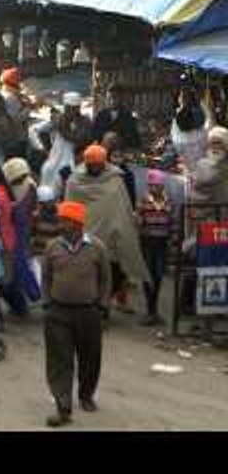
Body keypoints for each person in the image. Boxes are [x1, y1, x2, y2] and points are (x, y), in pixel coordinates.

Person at [41, 200, 112, 428]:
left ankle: (86, 395)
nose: (60, 224)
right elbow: (46, 277)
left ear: (77, 223)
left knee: (90, 358)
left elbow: (106, 278)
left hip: (88, 312)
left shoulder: (97, 247)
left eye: (65, 220)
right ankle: (63, 406)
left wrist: (102, 306)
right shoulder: (52, 247)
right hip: (58, 312)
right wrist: (47, 302)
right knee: (59, 360)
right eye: (61, 220)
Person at [65, 144, 151, 316]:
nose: (96, 168)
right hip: (86, 238)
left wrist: (127, 225)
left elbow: (123, 207)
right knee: (87, 273)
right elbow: (70, 209)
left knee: (113, 273)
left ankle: (103, 305)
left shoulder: (115, 179)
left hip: (111, 238)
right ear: (87, 164)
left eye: (99, 164)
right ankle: (89, 306)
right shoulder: (75, 181)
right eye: (92, 165)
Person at [0, 164, 24, 321]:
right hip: (8, 238)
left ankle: (0, 315)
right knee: (4, 278)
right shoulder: (4, 191)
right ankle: (16, 308)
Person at [3, 157, 41, 307]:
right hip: (15, 228)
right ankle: (26, 295)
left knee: (20, 262)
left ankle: (34, 294)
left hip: (22, 228)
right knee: (16, 264)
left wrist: (11, 208)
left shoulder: (29, 185)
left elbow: (23, 212)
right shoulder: (13, 187)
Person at [138, 169, 173, 327]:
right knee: (147, 275)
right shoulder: (144, 201)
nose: (154, 188)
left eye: (157, 185)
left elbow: (172, 222)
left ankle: (154, 310)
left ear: (162, 186)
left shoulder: (168, 200)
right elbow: (138, 221)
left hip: (162, 243)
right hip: (147, 242)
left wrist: (172, 240)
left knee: (158, 275)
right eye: (151, 185)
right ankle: (150, 311)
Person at [92, 83, 141, 152]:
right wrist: (105, 137)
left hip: (121, 152)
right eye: (109, 98)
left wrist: (119, 139)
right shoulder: (101, 115)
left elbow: (135, 140)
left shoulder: (128, 116)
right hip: (102, 151)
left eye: (114, 98)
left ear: (121, 98)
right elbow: (94, 135)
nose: (112, 101)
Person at [102, 131, 136, 208]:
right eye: (115, 157)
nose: (117, 160)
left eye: (120, 157)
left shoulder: (128, 174)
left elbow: (131, 196)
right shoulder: (102, 171)